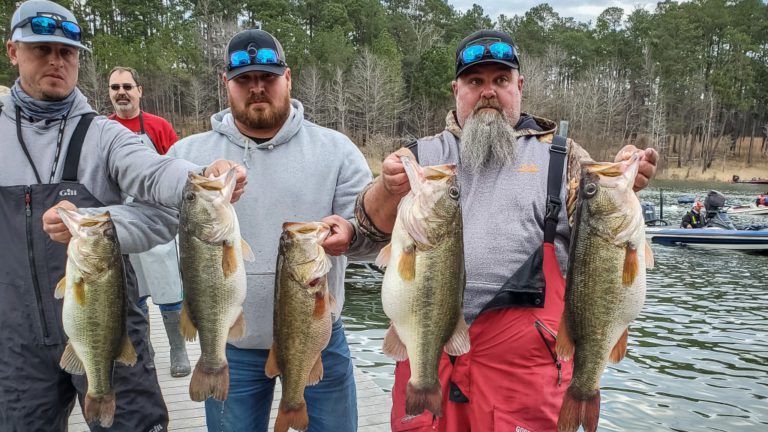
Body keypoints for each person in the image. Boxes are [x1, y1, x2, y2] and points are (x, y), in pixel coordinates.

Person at [355, 29, 658, 431]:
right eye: (474, 81)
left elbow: (602, 234)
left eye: (500, 80)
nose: (488, 92)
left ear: (519, 86)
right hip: (429, 349)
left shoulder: (563, 156)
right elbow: (367, 232)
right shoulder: (419, 156)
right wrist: (385, 187)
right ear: (456, 90)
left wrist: (624, 178)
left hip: (528, 371)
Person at [0, 1, 246, 430]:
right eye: (42, 49)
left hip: (111, 321)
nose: (56, 61)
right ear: (13, 52)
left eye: (67, 52)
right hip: (14, 335)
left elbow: (154, 171)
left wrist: (201, 177)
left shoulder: (105, 134)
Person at [166, 28, 383, 432]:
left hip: (318, 338)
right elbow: (151, 222)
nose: (257, 88)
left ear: (288, 78)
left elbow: (371, 238)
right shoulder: (186, 155)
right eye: (244, 80)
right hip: (232, 345)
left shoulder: (337, 150)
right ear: (226, 83)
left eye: (267, 77)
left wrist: (351, 235)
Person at [108, 65, 190, 378]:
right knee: (134, 292)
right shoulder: (103, 130)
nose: (121, 93)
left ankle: (178, 348)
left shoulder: (158, 127)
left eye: (127, 86)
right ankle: (146, 348)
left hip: (158, 221)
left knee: (169, 288)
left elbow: (176, 171)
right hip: (121, 222)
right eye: (115, 87)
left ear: (139, 91)